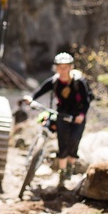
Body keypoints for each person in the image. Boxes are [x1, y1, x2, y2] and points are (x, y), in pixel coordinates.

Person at [23, 52, 91, 186]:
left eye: (65, 67)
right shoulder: (54, 81)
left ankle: (69, 170)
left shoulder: (79, 82)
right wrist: (30, 98)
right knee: (62, 143)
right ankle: (62, 174)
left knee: (74, 142)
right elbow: (39, 91)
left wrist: (81, 115)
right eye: (60, 67)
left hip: (77, 116)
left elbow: (86, 101)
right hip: (61, 114)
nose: (62, 70)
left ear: (71, 67)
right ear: (56, 68)